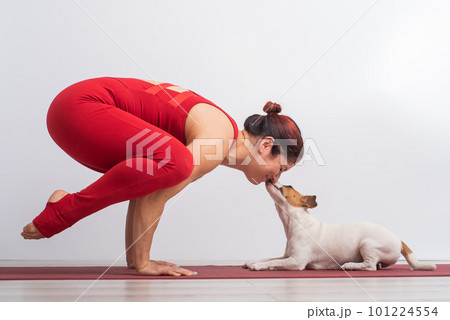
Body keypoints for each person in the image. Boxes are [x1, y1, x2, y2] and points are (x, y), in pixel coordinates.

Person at [21, 77, 303, 276]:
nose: (275, 180)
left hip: (69, 112)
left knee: (162, 168)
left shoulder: (218, 139)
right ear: (266, 146)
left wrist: (135, 261)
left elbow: (148, 188)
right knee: (176, 164)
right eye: (280, 169)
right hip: (81, 108)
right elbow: (158, 196)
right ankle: (63, 210)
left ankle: (68, 211)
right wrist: (145, 264)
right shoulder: (218, 138)